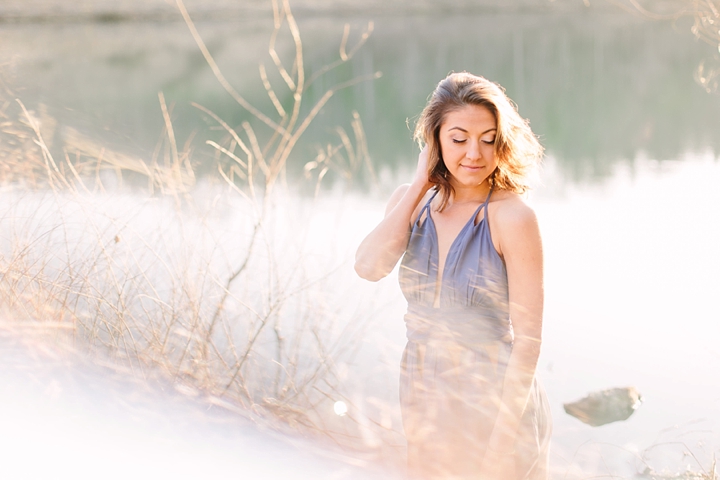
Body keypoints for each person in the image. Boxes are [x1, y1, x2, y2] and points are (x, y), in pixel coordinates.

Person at [354, 72, 551, 479]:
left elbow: (528, 344)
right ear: (435, 140)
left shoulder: (513, 217)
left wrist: (500, 445)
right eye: (458, 139)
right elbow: (369, 268)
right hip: (424, 392)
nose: (474, 154)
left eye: (488, 138)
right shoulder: (411, 204)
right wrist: (419, 184)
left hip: (496, 404)